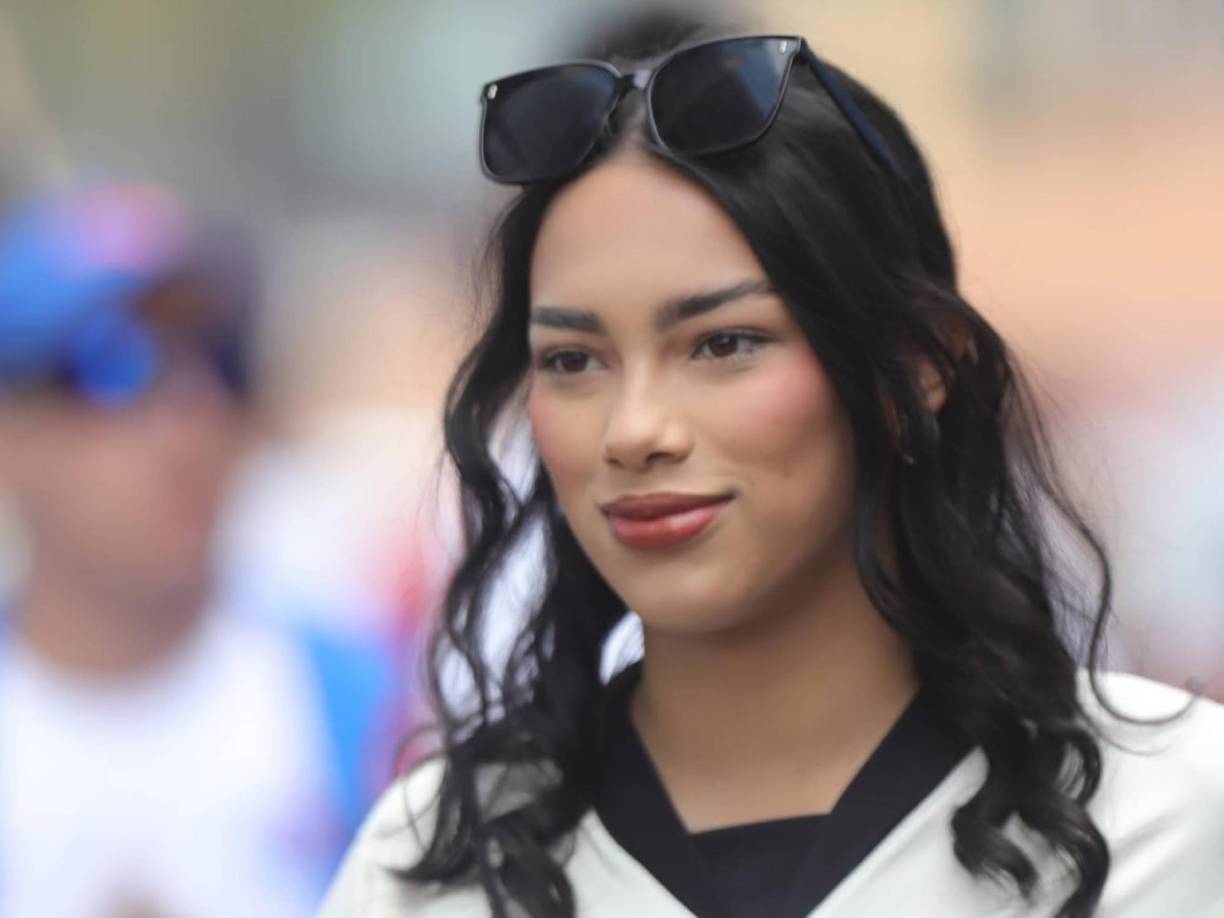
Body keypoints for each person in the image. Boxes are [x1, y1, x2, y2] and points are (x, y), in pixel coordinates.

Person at [319, 10, 1224, 918]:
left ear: (918, 364)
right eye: (573, 360)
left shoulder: (1167, 815)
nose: (634, 430)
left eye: (723, 344)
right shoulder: (433, 868)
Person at [0, 183, 402, 918]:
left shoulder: (379, 710)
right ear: (11, 432)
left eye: (221, 362)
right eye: (113, 368)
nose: (191, 420)